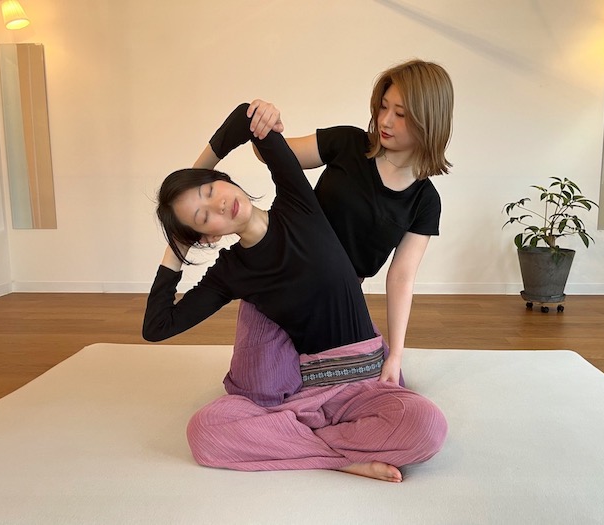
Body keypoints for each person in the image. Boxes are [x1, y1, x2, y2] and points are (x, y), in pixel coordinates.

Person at [143, 103, 447, 482]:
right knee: (204, 432)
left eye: (209, 189)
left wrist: (193, 174)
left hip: (362, 376)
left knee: (428, 426)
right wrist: (176, 249)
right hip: (303, 389)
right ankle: (338, 457)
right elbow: (156, 327)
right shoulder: (231, 272)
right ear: (207, 236)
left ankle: (293, 440)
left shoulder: (297, 202)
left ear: (223, 179)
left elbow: (246, 117)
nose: (217, 203)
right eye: (203, 216)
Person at [244, 59, 454, 385]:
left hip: (338, 303)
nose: (385, 120)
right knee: (267, 387)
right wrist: (267, 121)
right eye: (383, 107)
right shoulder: (348, 143)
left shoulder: (425, 201)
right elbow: (272, 153)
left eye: (400, 114)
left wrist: (396, 355)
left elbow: (401, 278)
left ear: (429, 122)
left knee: (384, 387)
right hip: (281, 280)